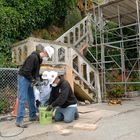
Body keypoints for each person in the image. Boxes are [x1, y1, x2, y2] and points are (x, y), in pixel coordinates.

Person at [16, 44, 54, 128]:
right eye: (47, 55)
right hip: (23, 77)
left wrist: (37, 80)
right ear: (44, 52)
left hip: (29, 78)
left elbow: (36, 72)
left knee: (32, 97)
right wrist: (33, 80)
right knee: (22, 99)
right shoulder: (33, 57)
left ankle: (32, 116)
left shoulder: (39, 60)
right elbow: (26, 71)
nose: (47, 57)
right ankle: (19, 120)